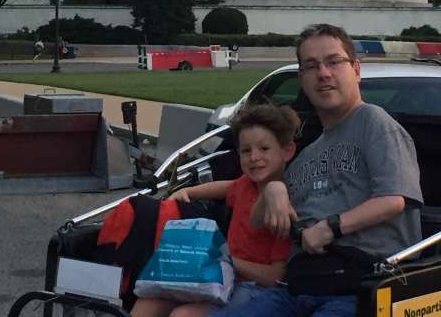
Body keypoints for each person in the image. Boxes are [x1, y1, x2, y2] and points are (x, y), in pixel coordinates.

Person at [208, 23, 423, 317]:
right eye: (311, 66)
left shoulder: (374, 123)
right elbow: (259, 222)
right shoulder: (308, 154)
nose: (323, 73)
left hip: (362, 287)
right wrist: (273, 189)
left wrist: (329, 228)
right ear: (302, 79)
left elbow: (393, 199)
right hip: (298, 287)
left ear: (356, 70)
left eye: (334, 61)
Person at [131, 104, 301, 317]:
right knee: (148, 303)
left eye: (264, 149)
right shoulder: (244, 185)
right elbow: (224, 187)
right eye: (246, 151)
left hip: (256, 290)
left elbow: (274, 277)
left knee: (183, 315)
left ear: (287, 151)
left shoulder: (282, 205)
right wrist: (189, 192)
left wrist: (227, 261)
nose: (254, 157)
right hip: (224, 277)